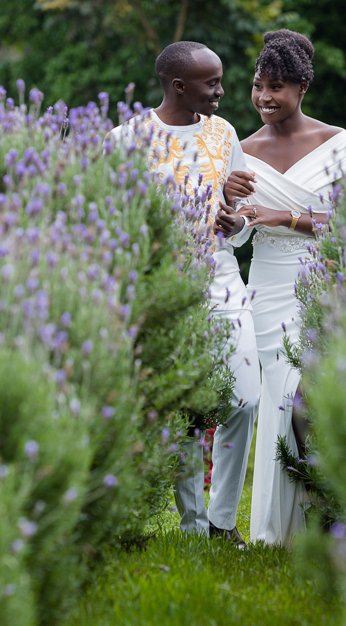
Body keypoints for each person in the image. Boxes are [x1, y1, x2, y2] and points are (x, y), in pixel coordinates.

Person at [106, 41, 259, 547]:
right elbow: (111, 223)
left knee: (244, 397)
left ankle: (221, 517)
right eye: (211, 82)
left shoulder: (225, 133)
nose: (221, 90)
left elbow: (242, 218)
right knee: (183, 407)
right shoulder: (126, 140)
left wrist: (235, 221)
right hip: (160, 287)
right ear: (178, 86)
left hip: (220, 277)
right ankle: (196, 529)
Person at [224, 29, 346, 545]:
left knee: (303, 397)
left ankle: (320, 518)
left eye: (277, 86)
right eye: (258, 85)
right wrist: (229, 217)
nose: (264, 97)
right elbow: (237, 234)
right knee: (275, 397)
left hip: (316, 284)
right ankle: (276, 532)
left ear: (303, 87)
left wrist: (284, 215)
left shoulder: (335, 142)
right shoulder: (242, 149)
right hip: (264, 284)